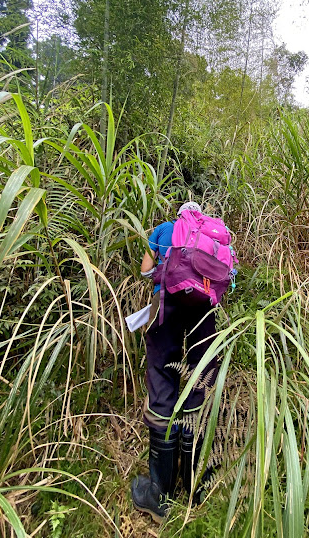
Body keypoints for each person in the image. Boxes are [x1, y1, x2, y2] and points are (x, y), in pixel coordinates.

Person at [131, 201, 219, 523]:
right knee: (199, 383)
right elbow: (227, 278)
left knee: (162, 377)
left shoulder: (163, 230)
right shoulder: (214, 237)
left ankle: (159, 492)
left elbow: (144, 272)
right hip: (204, 313)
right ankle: (194, 484)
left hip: (165, 305)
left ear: (179, 215)